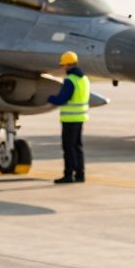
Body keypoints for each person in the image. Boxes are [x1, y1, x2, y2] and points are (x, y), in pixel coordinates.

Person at [47, 50, 89, 184]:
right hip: (80, 118)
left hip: (70, 119)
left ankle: (68, 175)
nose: (63, 68)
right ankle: (80, 175)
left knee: (68, 148)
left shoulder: (70, 80)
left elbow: (62, 99)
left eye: (63, 65)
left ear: (67, 65)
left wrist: (49, 98)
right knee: (77, 147)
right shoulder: (84, 79)